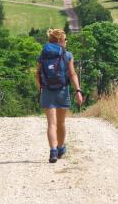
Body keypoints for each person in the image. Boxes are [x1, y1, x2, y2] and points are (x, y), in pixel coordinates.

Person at [35, 28, 83, 163]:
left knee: (51, 124)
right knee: (61, 123)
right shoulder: (67, 55)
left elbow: (37, 74)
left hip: (47, 91)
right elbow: (72, 74)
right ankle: (61, 147)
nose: (67, 41)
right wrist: (78, 90)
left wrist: (41, 88)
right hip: (62, 90)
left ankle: (53, 152)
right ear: (60, 40)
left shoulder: (43, 55)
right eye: (65, 39)